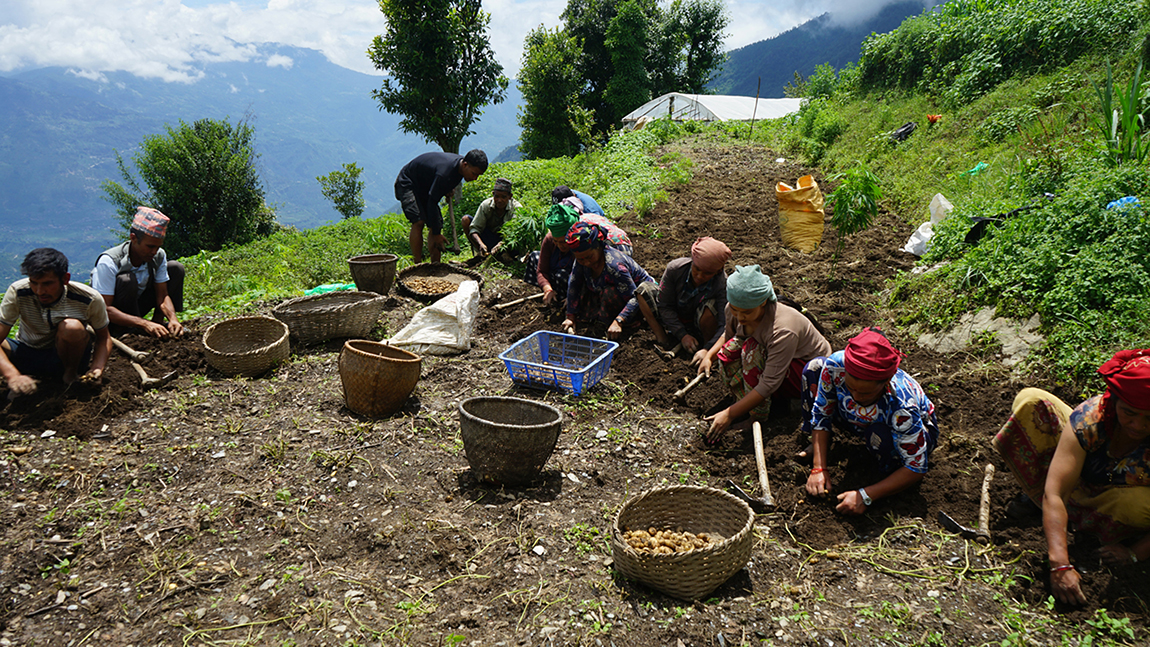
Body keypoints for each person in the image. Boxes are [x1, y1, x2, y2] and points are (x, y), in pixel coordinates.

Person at [993, 349, 1150, 605]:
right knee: (1031, 401)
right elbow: (1055, 493)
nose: (1139, 425)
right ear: (1115, 402)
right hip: (1074, 483)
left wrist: (1135, 553)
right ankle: (1046, 506)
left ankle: (1099, 525)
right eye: (1130, 413)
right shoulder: (1092, 417)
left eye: (1149, 418)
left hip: (1119, 497)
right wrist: (1060, 564)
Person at [802, 328, 939, 515]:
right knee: (814, 369)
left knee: (879, 435)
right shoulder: (836, 365)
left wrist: (866, 495)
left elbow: (916, 467)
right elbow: (822, 412)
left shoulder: (903, 407)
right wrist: (819, 468)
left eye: (865, 393)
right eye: (850, 388)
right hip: (859, 419)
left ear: (886, 382)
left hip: (905, 433)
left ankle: (886, 472)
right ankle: (819, 445)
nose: (856, 396)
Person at [698, 265, 831, 443]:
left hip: (806, 371)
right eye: (736, 310)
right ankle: (748, 400)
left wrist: (729, 414)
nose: (740, 316)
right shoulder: (733, 310)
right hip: (774, 360)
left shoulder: (783, 329)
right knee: (731, 351)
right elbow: (728, 337)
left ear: (763, 303)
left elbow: (769, 382)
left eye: (746, 312)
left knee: (751, 351)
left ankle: (762, 413)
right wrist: (709, 356)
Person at [0, 248, 111, 396]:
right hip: (27, 351)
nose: (39, 291)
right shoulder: (18, 292)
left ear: (65, 279)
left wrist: (97, 368)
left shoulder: (88, 298)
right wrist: (12, 375)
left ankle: (69, 376)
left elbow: (104, 337)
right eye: (34, 283)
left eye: (47, 284)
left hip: (66, 357)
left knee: (72, 327)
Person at [92, 206, 185, 338]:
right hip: (113, 317)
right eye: (150, 246)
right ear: (133, 238)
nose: (154, 252)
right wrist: (144, 323)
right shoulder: (109, 261)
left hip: (138, 306)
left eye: (158, 247)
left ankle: (158, 323)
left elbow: (163, 295)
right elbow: (104, 309)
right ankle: (124, 331)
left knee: (175, 268)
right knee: (127, 280)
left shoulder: (158, 255)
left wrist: (173, 318)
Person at [636, 237, 730, 364]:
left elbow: (724, 324)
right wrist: (682, 335)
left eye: (707, 273)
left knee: (710, 308)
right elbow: (664, 306)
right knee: (644, 290)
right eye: (696, 269)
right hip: (674, 318)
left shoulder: (722, 284)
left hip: (700, 323)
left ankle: (704, 351)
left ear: (718, 271)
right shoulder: (675, 269)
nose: (699, 276)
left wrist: (709, 349)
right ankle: (664, 341)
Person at [560, 222, 659, 340]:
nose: (586, 262)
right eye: (580, 259)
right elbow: (574, 285)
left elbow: (635, 297)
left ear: (598, 247)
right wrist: (570, 315)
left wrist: (619, 320)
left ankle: (622, 323)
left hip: (640, 300)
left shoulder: (614, 266)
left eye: (589, 257)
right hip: (604, 291)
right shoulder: (581, 262)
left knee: (610, 292)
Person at [524, 202, 632, 306]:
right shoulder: (549, 239)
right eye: (556, 241)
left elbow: (588, 275)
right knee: (535, 257)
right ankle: (556, 293)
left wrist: (574, 298)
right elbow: (542, 270)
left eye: (563, 242)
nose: (559, 245)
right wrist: (547, 289)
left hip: (616, 245)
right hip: (565, 266)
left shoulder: (582, 243)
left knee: (563, 275)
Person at [394, 149, 488, 264]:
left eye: (478, 175)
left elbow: (439, 187)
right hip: (409, 182)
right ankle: (417, 264)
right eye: (474, 173)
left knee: (436, 224)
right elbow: (432, 202)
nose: (475, 178)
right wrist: (437, 235)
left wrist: (447, 190)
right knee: (418, 221)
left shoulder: (460, 168)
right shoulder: (445, 172)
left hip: (426, 186)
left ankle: (436, 265)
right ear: (465, 165)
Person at [463, 178, 521, 261]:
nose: (499, 200)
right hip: (490, 239)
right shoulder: (486, 205)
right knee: (466, 220)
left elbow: (516, 232)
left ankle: (506, 255)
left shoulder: (517, 208)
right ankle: (483, 254)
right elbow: (474, 229)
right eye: (496, 196)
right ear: (493, 194)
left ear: (510, 197)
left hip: (508, 242)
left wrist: (501, 244)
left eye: (503, 197)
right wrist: (481, 244)